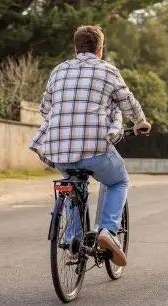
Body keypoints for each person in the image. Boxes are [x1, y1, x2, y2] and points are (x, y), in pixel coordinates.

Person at [30, 25, 150, 267]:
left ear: (76, 47)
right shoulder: (107, 70)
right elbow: (128, 101)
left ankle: (74, 242)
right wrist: (140, 122)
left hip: (58, 152)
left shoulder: (59, 70)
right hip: (94, 149)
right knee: (118, 181)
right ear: (100, 49)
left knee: (75, 188)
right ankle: (108, 230)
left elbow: (44, 109)